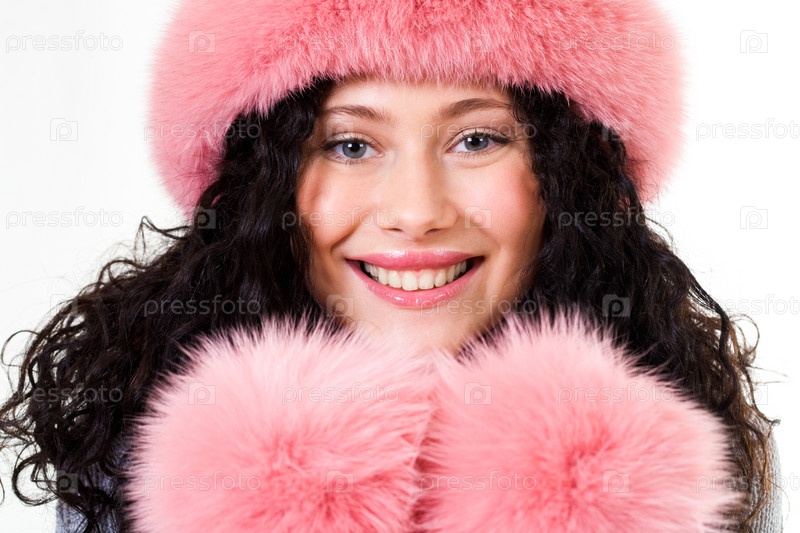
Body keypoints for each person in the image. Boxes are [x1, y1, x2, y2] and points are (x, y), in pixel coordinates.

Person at [0, 0, 781, 531]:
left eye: (477, 139)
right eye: (350, 144)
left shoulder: (687, 457)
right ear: (264, 184)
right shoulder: (131, 458)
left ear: (566, 175)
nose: (415, 210)